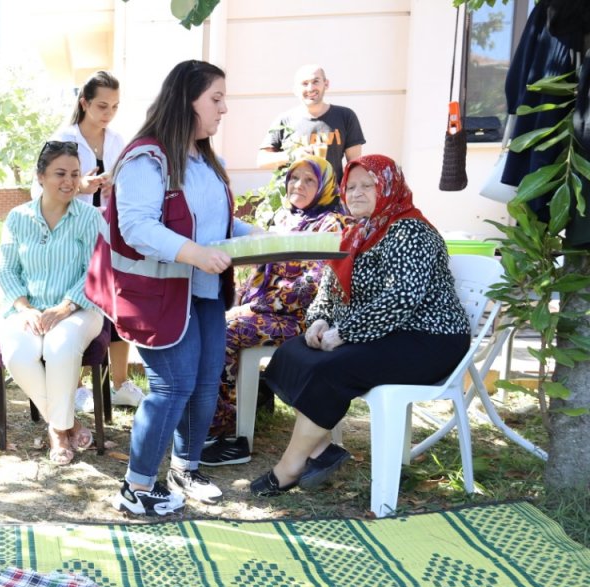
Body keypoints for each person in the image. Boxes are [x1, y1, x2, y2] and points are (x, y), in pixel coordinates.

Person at [88, 60, 257, 517]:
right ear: (188, 100)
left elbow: (213, 221)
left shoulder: (203, 158)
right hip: (158, 297)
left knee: (204, 386)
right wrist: (196, 254)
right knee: (171, 387)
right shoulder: (147, 158)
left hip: (201, 291)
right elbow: (139, 226)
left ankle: (185, 467)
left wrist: (255, 237)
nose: (224, 109)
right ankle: (137, 485)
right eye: (216, 99)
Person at [250, 155, 470, 496]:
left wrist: (345, 333)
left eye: (368, 185)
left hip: (430, 339)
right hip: (385, 332)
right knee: (294, 352)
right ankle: (323, 451)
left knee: (332, 368)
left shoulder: (409, 229)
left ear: (389, 186)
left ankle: (290, 467)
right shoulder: (356, 233)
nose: (356, 193)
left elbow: (402, 297)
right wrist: (320, 320)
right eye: (350, 186)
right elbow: (329, 290)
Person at [201, 156, 352, 466]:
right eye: (295, 178)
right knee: (213, 321)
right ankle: (223, 414)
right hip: (272, 312)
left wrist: (254, 307)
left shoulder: (332, 223)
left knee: (229, 331)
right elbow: (261, 271)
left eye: (310, 180)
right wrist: (242, 302)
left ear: (325, 187)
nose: (299, 185)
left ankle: (225, 431)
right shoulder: (285, 218)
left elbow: (316, 284)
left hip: (306, 320)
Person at [0, 141, 105, 465]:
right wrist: (25, 308)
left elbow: (95, 271)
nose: (69, 182)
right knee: (18, 351)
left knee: (59, 345)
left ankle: (57, 432)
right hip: (29, 309)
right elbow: (5, 270)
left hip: (81, 309)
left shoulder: (88, 217)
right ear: (41, 176)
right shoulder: (18, 218)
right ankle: (67, 421)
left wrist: (66, 307)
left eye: (75, 174)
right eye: (60, 173)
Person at [44, 70, 144, 411]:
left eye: (115, 106)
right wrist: (78, 187)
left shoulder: (118, 140)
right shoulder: (62, 139)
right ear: (84, 103)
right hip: (74, 235)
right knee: (78, 304)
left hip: (112, 236)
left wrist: (116, 186)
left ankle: (120, 383)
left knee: (118, 310)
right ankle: (77, 385)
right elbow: (42, 191)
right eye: (102, 105)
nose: (108, 113)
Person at [257, 65, 365, 178]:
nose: (310, 88)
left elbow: (354, 164)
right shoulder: (284, 120)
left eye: (316, 81)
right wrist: (292, 156)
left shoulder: (345, 116)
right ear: (295, 90)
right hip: (294, 193)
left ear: (326, 84)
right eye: (304, 83)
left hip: (332, 193)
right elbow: (262, 160)